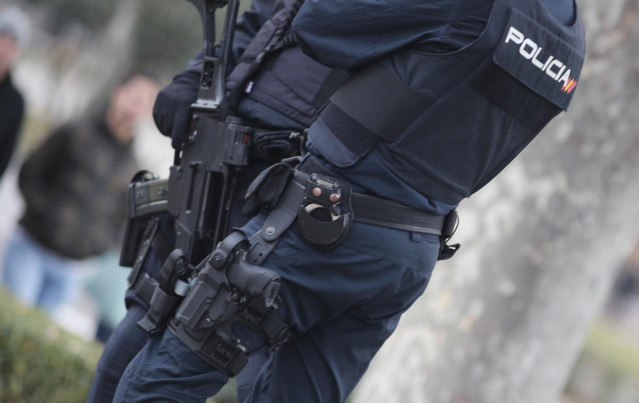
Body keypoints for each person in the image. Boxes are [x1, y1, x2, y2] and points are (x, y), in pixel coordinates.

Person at [114, 0, 586, 402]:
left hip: (325, 229)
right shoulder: (571, 43)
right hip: (409, 255)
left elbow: (320, 25)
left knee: (156, 385)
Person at [88, 0, 347, 401]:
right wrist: (194, 78)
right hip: (216, 166)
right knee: (119, 363)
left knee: (184, 372)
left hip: (284, 193)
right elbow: (263, 18)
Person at [1, 74, 158, 317]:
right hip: (32, 246)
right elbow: (30, 172)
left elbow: (123, 220)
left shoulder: (133, 168)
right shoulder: (75, 131)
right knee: (12, 322)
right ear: (118, 92)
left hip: (72, 267)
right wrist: (45, 213)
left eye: (147, 101)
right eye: (135, 95)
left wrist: (97, 245)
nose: (137, 105)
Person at [0, 7, 28, 180]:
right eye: (3, 38)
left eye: (12, 43)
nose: (4, 48)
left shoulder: (15, 102)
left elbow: (5, 156)